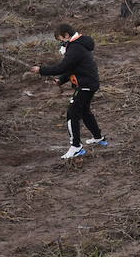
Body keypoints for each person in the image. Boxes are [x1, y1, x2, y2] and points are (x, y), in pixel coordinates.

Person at [32, 24, 106, 159]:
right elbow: (72, 68)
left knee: (72, 113)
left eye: (61, 39)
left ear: (66, 35)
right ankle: (98, 137)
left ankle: (76, 147)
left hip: (85, 85)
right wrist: (61, 80)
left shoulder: (75, 48)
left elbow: (62, 67)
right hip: (89, 83)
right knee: (84, 111)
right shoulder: (79, 45)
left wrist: (41, 70)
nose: (61, 43)